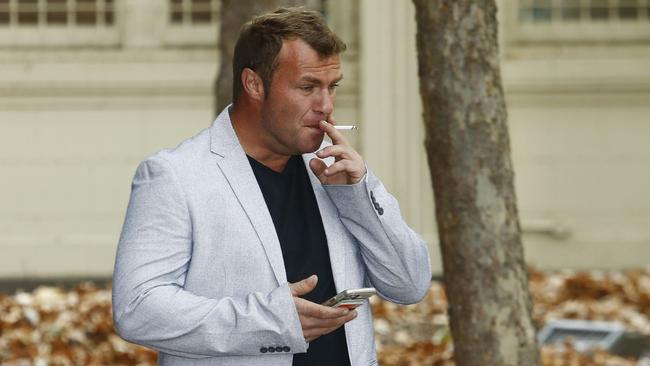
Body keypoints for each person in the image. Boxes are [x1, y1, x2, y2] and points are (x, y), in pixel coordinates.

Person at [112, 6, 431, 366]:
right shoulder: (175, 176)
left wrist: (357, 199)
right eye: (308, 87)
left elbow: (410, 285)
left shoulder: (336, 168)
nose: (325, 106)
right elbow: (137, 309)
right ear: (254, 84)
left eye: (332, 87)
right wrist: (269, 322)